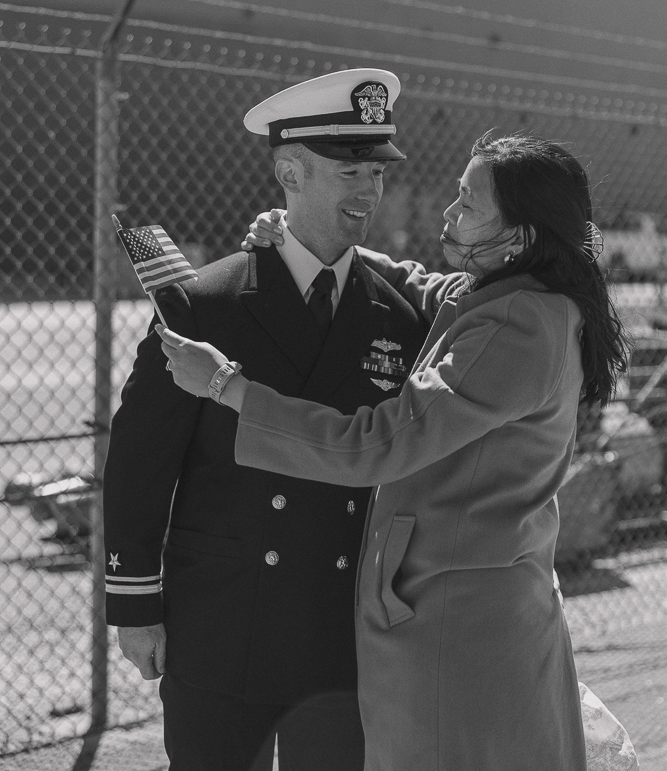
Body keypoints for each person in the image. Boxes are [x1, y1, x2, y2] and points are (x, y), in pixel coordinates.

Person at [158, 132, 629, 771]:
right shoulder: (516, 296)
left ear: (517, 238)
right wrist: (308, 240)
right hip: (473, 608)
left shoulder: (516, 327)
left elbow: (378, 445)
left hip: (455, 626)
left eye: (467, 205)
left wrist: (229, 387)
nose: (448, 215)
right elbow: (430, 288)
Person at [103, 68, 428, 771]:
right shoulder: (204, 304)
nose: (368, 189)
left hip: (341, 633)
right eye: (349, 170)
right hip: (223, 622)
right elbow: (139, 462)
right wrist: (135, 604)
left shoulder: (402, 317)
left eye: (375, 170)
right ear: (289, 170)